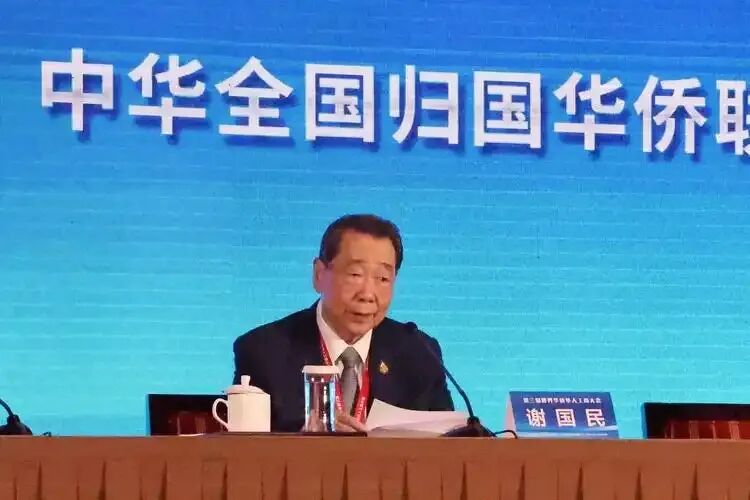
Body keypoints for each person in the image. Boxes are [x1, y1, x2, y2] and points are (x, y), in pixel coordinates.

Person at [232, 214, 453, 432]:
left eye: (383, 278)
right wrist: (303, 441)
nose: (367, 294)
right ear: (319, 275)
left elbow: (451, 443)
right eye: (355, 274)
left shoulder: (420, 354)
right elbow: (243, 448)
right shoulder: (264, 351)